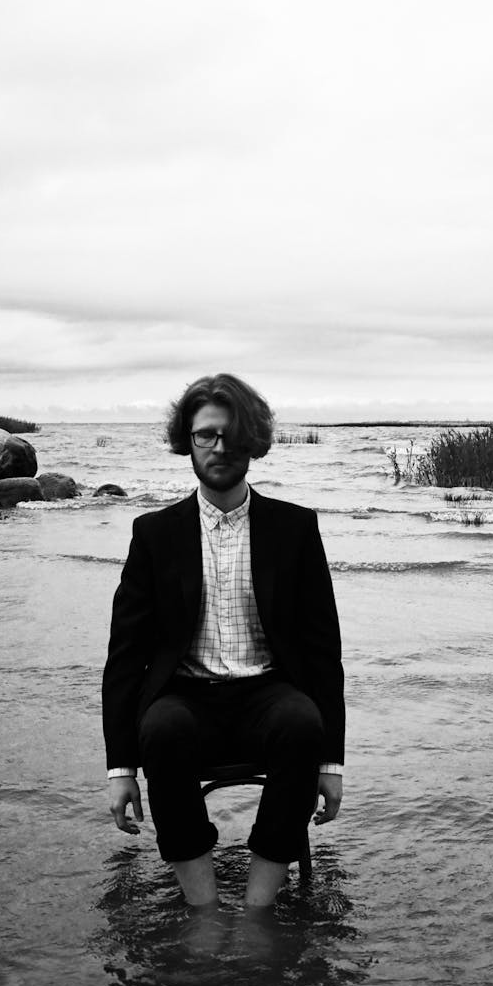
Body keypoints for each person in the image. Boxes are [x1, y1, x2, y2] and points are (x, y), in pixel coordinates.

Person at [103, 373, 344, 908]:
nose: (218, 446)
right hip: (186, 700)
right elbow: (125, 659)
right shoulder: (154, 535)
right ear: (186, 441)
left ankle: (259, 911)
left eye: (230, 435)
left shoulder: (295, 529)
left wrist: (331, 764)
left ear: (252, 441)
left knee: (301, 721)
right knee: (161, 727)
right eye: (205, 435)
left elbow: (323, 651)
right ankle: (204, 911)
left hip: (268, 695)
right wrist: (121, 770)